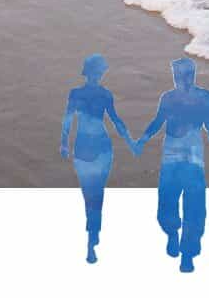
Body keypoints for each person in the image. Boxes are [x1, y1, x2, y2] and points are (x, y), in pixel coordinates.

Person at [134, 58, 209, 274]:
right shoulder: (190, 98)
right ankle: (179, 241)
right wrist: (142, 140)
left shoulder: (189, 98)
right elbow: (159, 122)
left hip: (183, 158)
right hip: (183, 157)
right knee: (181, 202)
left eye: (180, 75)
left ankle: (182, 247)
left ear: (190, 75)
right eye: (175, 75)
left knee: (180, 201)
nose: (177, 79)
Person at [59, 53, 140, 264]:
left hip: (94, 148)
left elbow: (114, 120)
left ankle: (92, 236)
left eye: (100, 71)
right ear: (93, 72)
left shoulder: (89, 94)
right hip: (94, 148)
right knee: (92, 195)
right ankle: (92, 233)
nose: (99, 75)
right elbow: (69, 119)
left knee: (94, 195)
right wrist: (63, 142)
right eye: (98, 71)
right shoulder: (96, 94)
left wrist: (131, 141)